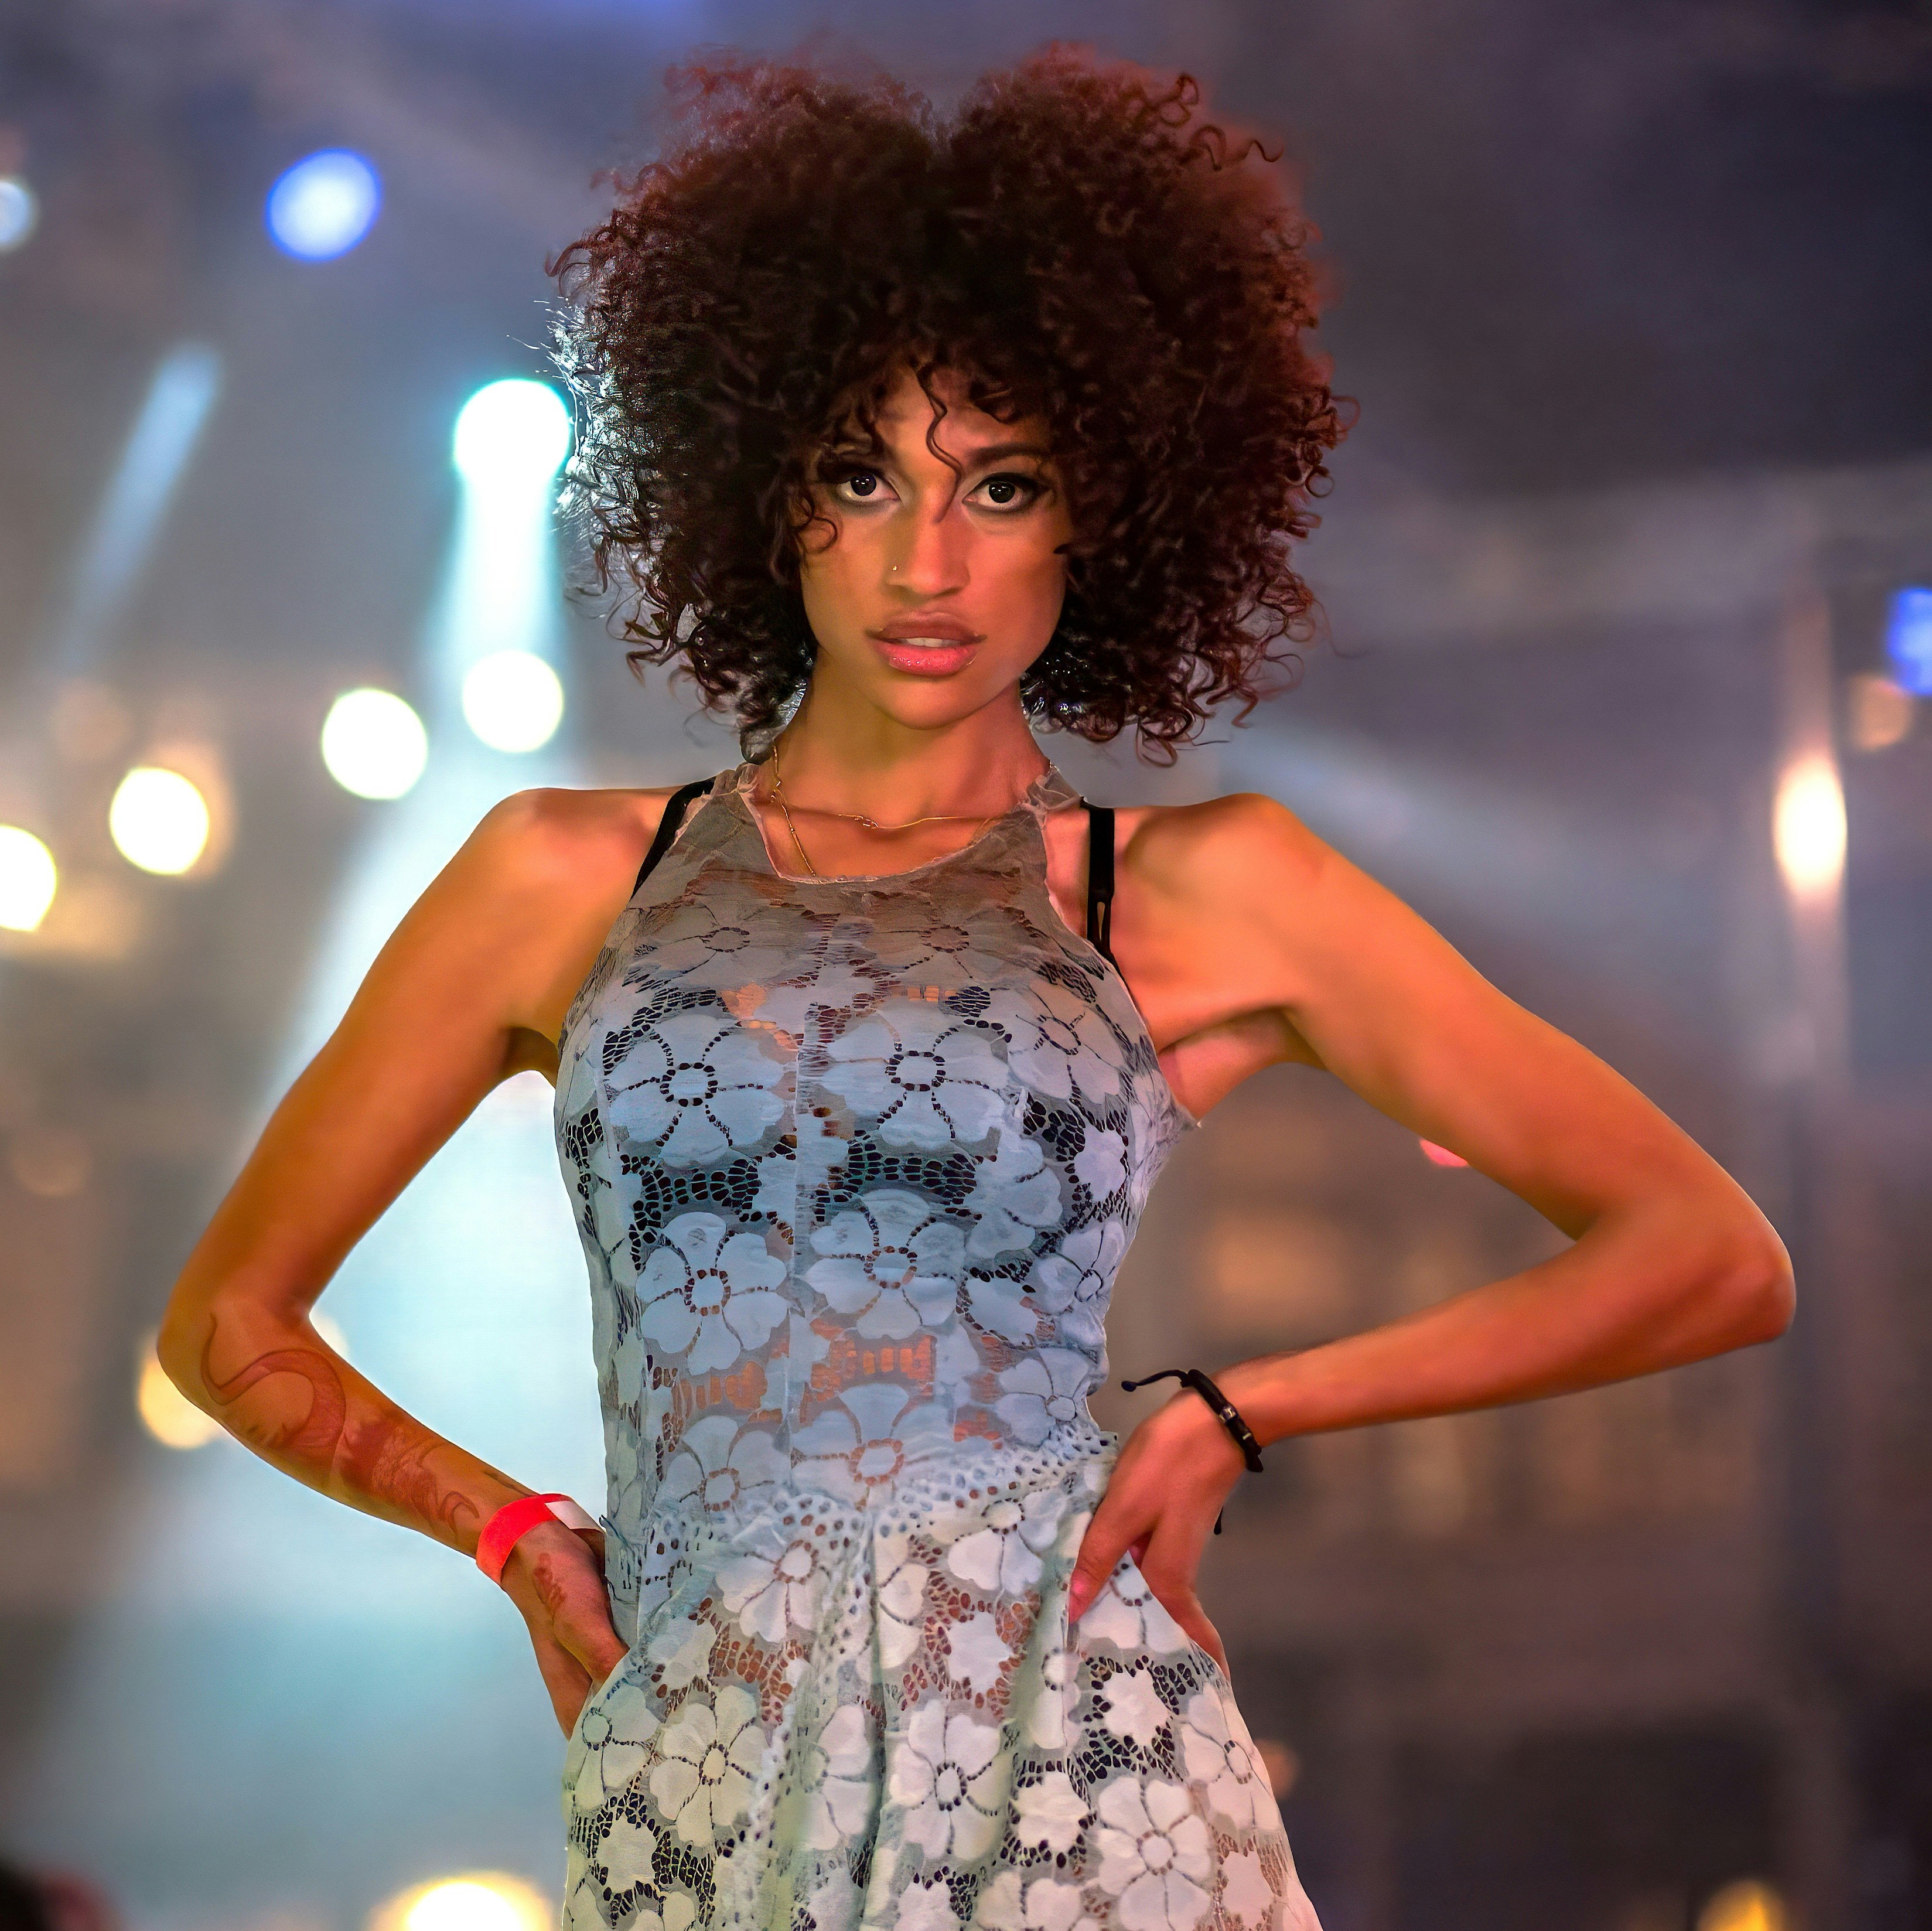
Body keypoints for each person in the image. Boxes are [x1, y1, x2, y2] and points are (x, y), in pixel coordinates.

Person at [158, 50, 1794, 1931]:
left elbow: (1709, 1253)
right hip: (701, 1761)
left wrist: (1239, 1408)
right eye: (858, 475)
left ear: (1101, 510)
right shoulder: (557, 878)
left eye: (997, 485)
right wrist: (514, 1534)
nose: (924, 562)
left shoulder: (1198, 888)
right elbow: (235, 1326)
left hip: (1084, 1768)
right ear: (764, 489)